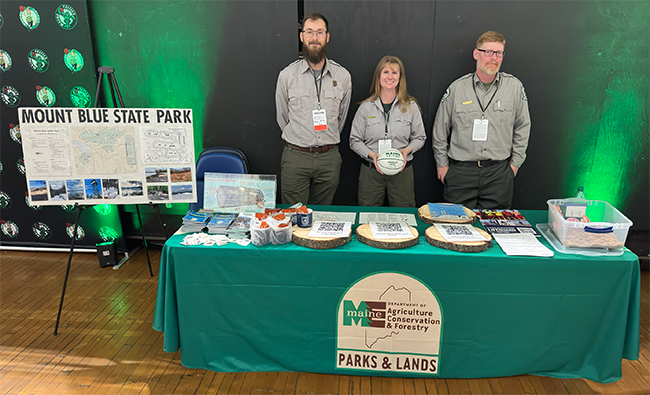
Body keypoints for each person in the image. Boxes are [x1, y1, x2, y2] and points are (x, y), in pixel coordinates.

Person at [432, 31, 531, 209]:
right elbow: (440, 129)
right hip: (461, 173)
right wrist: (442, 165)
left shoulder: (514, 87)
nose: (493, 58)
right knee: (456, 227)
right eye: (488, 52)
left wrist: (514, 165)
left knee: (494, 229)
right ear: (476, 54)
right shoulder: (457, 88)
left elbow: (523, 127)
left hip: (498, 174)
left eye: (498, 53)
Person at [275, 12, 352, 205]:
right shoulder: (287, 75)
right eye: (309, 32)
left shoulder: (343, 76)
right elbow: (282, 116)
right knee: (293, 217)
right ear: (302, 36)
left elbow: (341, 118)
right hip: (296, 157)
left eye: (319, 32)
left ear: (327, 37)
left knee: (322, 217)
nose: (314, 38)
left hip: (329, 158)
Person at [349, 56, 426, 207]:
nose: (390, 76)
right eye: (385, 72)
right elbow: (354, 140)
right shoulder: (365, 107)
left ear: (400, 77)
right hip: (371, 173)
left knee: (404, 216)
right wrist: (372, 155)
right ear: (378, 76)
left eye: (395, 72)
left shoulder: (411, 106)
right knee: (367, 217)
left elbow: (420, 137)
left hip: (402, 173)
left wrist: (407, 150)